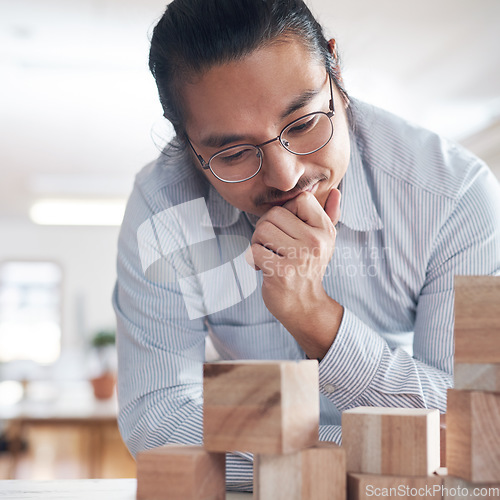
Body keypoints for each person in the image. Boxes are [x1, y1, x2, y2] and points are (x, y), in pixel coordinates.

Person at [112, 0, 500, 491]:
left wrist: (315, 318)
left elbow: (476, 423)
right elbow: (157, 419)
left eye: (302, 124)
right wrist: (365, 451)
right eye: (233, 153)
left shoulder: (454, 195)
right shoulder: (162, 211)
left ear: (334, 68)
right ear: (187, 143)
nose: (286, 175)